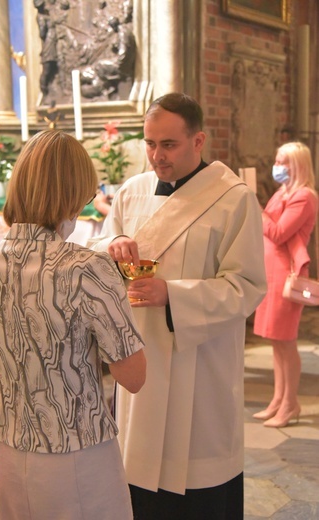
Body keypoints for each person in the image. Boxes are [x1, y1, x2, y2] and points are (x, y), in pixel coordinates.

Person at [87, 92, 267, 520]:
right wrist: (112, 243)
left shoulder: (232, 198)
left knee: (195, 488)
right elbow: (96, 252)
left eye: (168, 145)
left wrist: (174, 295)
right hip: (139, 355)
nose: (156, 156)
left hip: (199, 364)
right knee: (138, 480)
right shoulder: (131, 192)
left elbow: (247, 285)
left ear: (198, 141)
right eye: (149, 143)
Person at [0, 130, 146, 520]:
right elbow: (133, 376)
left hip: (10, 444)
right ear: (70, 196)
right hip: (76, 451)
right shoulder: (87, 267)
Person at [253, 141, 318, 428]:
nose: (277, 166)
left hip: (285, 274)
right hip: (270, 272)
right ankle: (278, 399)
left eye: (283, 162)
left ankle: (290, 403)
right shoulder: (283, 192)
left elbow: (278, 233)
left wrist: (256, 209)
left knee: (286, 341)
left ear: (298, 165)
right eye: (277, 160)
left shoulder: (304, 196)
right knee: (275, 341)